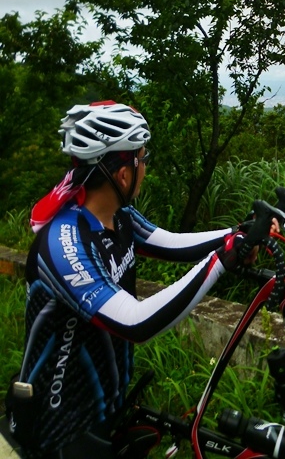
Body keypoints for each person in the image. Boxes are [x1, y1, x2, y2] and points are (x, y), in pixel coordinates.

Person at [7, 101, 261, 459]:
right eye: (142, 158)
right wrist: (223, 259)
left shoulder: (118, 216)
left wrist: (237, 234)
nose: (146, 167)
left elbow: (169, 242)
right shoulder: (64, 242)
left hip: (103, 406)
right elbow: (135, 322)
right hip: (61, 424)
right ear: (123, 173)